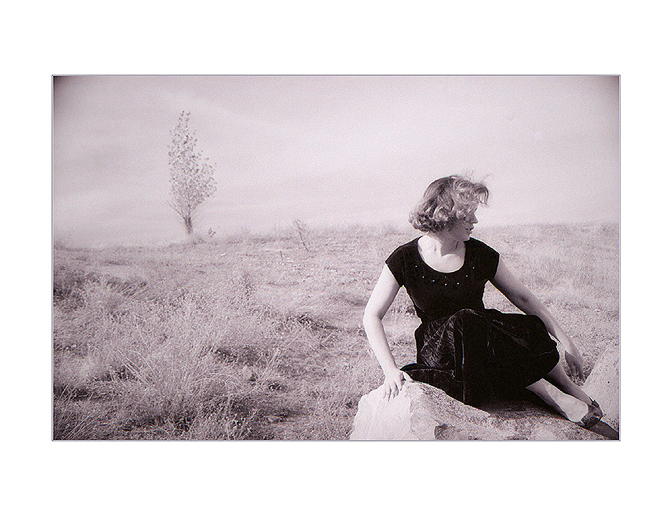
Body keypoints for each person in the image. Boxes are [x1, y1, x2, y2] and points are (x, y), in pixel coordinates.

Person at [362, 175, 604, 428]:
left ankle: (566, 385)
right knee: (466, 319)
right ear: (445, 215)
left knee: (525, 325)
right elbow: (372, 315)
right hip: (444, 353)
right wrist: (389, 370)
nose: (475, 222)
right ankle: (551, 394)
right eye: (468, 216)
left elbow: (523, 298)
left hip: (485, 343)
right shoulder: (405, 258)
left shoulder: (479, 253)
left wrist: (567, 343)